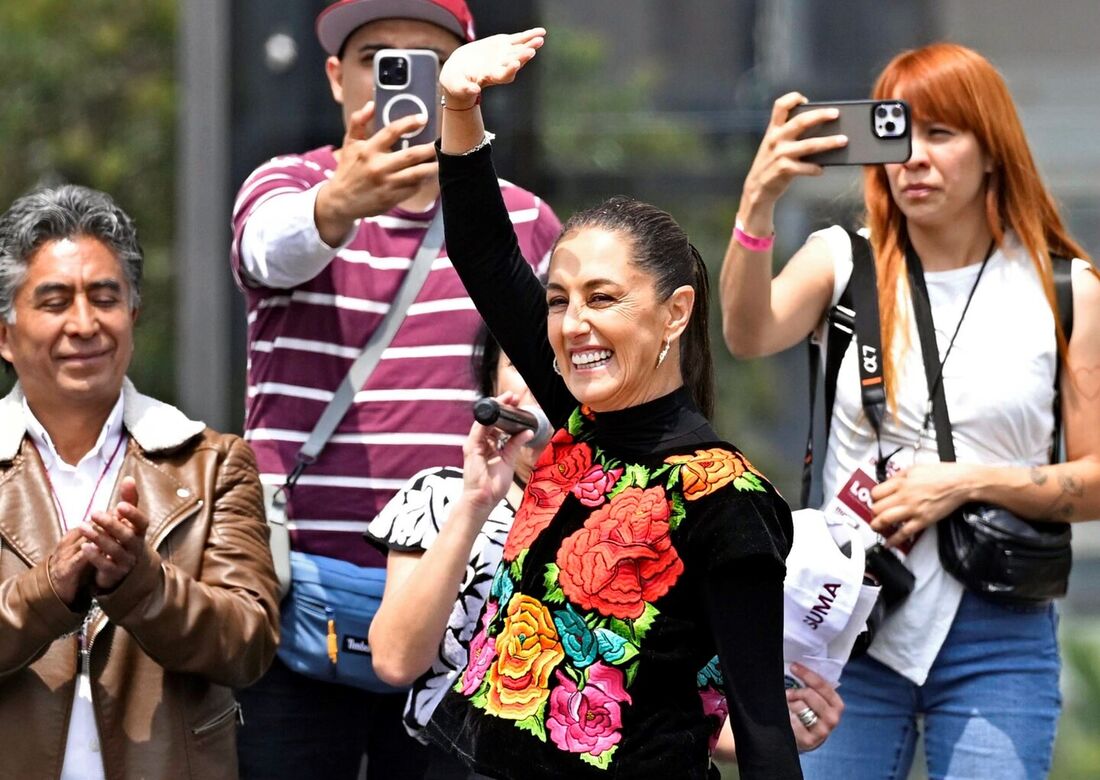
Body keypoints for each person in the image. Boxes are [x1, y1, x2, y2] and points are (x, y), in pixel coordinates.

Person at [423, 29, 803, 779]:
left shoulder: (728, 499)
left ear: (674, 312)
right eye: (560, 300)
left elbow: (761, 724)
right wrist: (457, 103)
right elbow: (481, 248)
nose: (572, 325)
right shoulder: (575, 414)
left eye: (603, 298)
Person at [719, 42, 1100, 779]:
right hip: (847, 622)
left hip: (999, 624)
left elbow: (1094, 480)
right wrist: (757, 201)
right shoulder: (843, 260)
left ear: (994, 151)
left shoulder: (1064, 288)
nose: (914, 158)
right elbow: (746, 331)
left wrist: (964, 481)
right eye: (895, 133)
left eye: (942, 133)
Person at [230, 1, 560, 777]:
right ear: (337, 78)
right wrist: (338, 205)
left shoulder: (525, 221)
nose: (398, 83)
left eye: (431, 65)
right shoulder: (287, 186)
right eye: (380, 59)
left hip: (461, 610)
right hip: (295, 597)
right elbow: (267, 251)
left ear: (468, 84)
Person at [369, 328, 846, 779]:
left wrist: (772, 727)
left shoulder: (653, 511)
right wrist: (475, 504)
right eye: (521, 364)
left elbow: (670, 700)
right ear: (490, 378)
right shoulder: (439, 495)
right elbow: (394, 661)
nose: (541, 380)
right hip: (456, 760)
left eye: (563, 364)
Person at [0, 184, 280, 780]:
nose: (84, 324)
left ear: (133, 315)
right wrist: (51, 588)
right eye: (54, 302)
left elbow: (249, 643)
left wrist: (145, 587)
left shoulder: (212, 463)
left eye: (105, 297)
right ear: (5, 334)